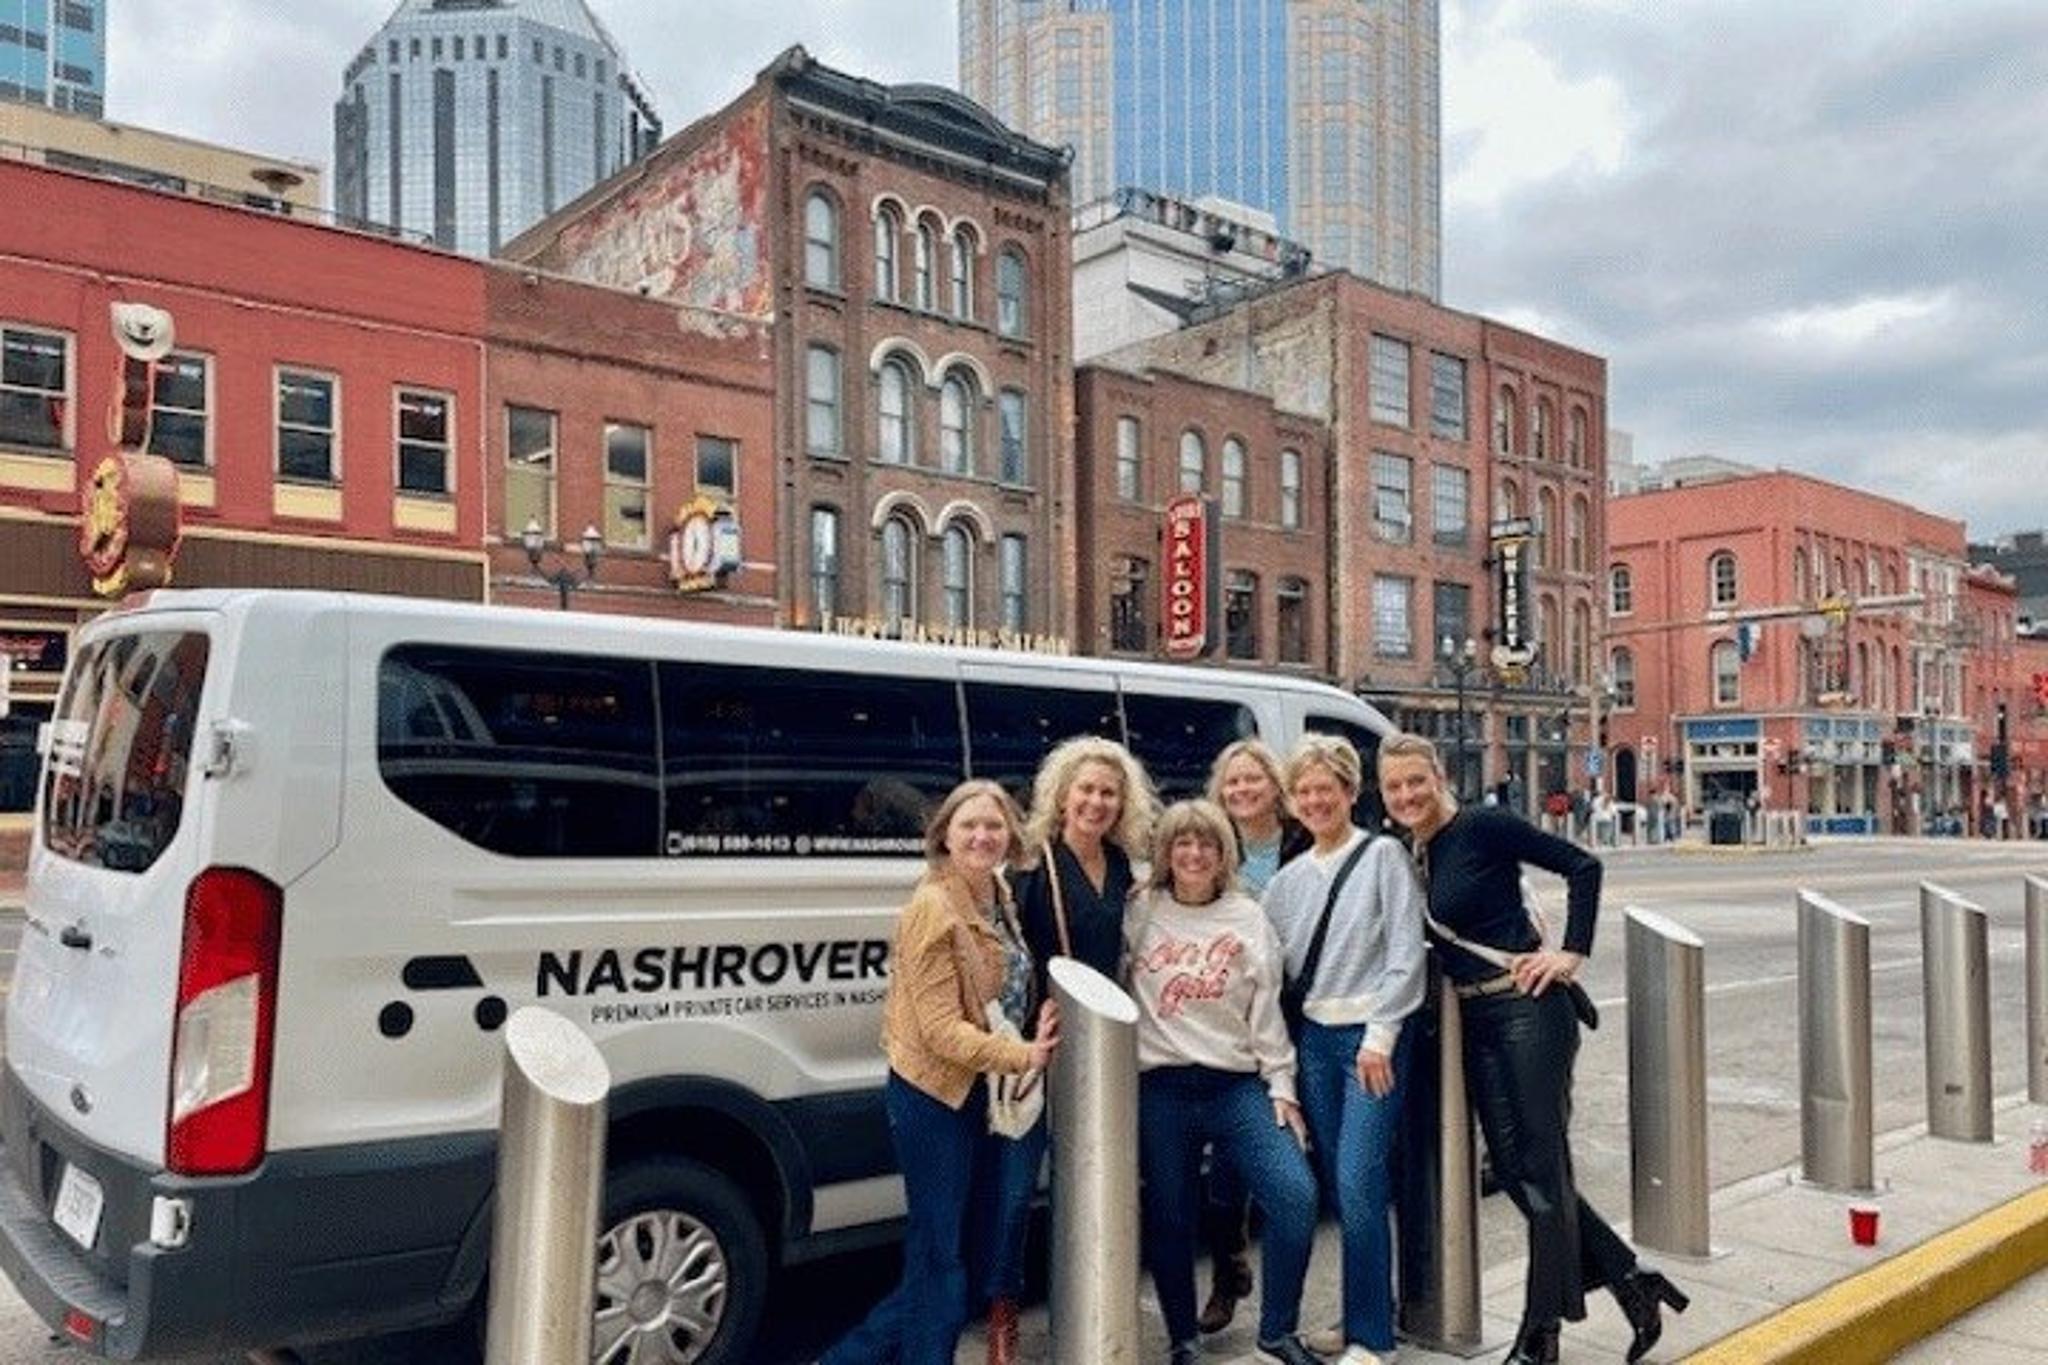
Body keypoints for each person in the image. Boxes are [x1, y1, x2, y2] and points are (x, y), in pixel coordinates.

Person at [1377, 733, 1688, 1365]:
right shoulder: (1414, 852)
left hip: (1529, 1013)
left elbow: (1583, 866)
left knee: (1541, 1172)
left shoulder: (1483, 826)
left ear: (1439, 776)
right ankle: (1632, 1281)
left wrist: (1569, 953)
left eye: (1417, 780)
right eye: (1394, 786)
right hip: (1478, 1019)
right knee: (1518, 1175)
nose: (1407, 794)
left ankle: (1539, 1335)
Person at [820, 781, 1060, 1365]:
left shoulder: (995, 891)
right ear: (944, 836)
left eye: (994, 826)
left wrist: (1037, 1012)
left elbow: (999, 989)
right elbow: (939, 1031)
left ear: (1010, 836)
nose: (982, 836)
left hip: (978, 1093)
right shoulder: (934, 908)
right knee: (940, 1258)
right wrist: (1022, 1056)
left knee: (957, 1257)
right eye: (969, 826)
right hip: (934, 1097)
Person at [980, 736, 1158, 1365]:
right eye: (1086, 789)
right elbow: (1009, 964)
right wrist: (1032, 1020)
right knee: (1014, 1190)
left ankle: (1091, 1301)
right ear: (1061, 793)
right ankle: (1003, 1315)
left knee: (1097, 1185)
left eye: (1109, 792)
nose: (1097, 801)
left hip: (1106, 1050)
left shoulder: (1126, 871)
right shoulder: (1032, 866)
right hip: (1045, 1047)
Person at [1126, 800, 1321, 1365]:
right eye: (1182, 843)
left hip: (1236, 1087)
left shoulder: (1247, 916)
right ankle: (1183, 1339)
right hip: (1161, 1087)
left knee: (1295, 1196)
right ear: (1166, 852)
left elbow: (1266, 1012)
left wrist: (1282, 1087)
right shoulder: (1140, 912)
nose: (1194, 854)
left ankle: (1277, 1331)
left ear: (1224, 853)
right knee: (1170, 1215)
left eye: (1207, 843)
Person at [1263, 734, 1427, 1365]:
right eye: (1302, 792)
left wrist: (1382, 1034)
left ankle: (1372, 1341)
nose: (1313, 801)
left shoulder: (1382, 855)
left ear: (1349, 792)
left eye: (1323, 789)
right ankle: (1365, 1313)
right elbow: (1267, 964)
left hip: (1370, 1042)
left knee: (1360, 1180)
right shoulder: (1285, 882)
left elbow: (1404, 955)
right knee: (1338, 1185)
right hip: (1313, 1044)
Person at [1194, 739, 1313, 1332]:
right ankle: (1228, 1267)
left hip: (1299, 1006)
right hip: (1229, 1014)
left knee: (1289, 1147)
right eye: (1232, 782)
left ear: (1275, 785)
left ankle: (1287, 1302)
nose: (1242, 791)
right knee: (1226, 1162)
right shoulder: (1214, 846)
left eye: (1253, 781)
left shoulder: (1303, 839)